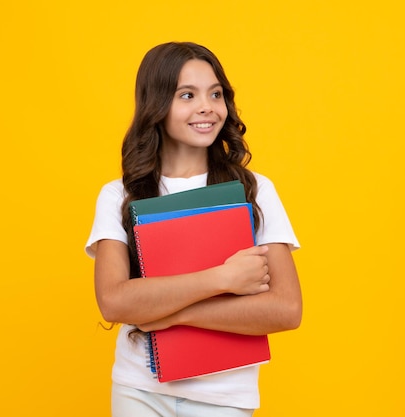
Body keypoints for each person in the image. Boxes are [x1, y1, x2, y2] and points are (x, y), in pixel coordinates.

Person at [85, 41, 302, 417]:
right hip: (139, 390)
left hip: (224, 399)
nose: (207, 107)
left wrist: (170, 314)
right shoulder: (118, 195)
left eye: (215, 94)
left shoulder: (255, 190)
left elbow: (286, 309)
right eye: (187, 95)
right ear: (156, 105)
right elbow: (115, 302)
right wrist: (222, 279)